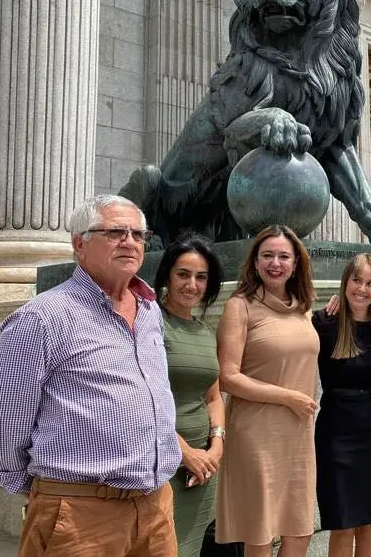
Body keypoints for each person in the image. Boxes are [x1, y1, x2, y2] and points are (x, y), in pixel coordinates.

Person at [0, 194, 180, 556]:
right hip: (79, 515)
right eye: (115, 232)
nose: (129, 242)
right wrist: (46, 489)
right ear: (79, 244)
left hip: (156, 507)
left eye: (138, 234)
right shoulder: (42, 318)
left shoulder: (149, 311)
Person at [216, 224, 319, 557]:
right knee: (259, 533)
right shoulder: (240, 306)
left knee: (299, 529)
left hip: (298, 433)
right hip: (256, 433)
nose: (276, 263)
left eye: (284, 256)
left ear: (295, 263)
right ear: (255, 262)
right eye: (268, 255)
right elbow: (228, 377)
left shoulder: (304, 307)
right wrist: (287, 396)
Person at [312, 253, 371, 557]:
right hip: (337, 436)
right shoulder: (324, 323)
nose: (362, 289)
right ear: (345, 281)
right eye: (356, 280)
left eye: (370, 283)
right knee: (343, 524)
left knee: (370, 526)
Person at [154, 233, 228, 557]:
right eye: (183, 274)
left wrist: (217, 445)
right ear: (167, 275)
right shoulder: (151, 324)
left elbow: (212, 397)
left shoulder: (204, 331)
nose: (191, 285)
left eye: (200, 277)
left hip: (201, 469)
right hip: (160, 461)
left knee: (191, 547)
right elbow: (142, 400)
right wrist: (184, 452)